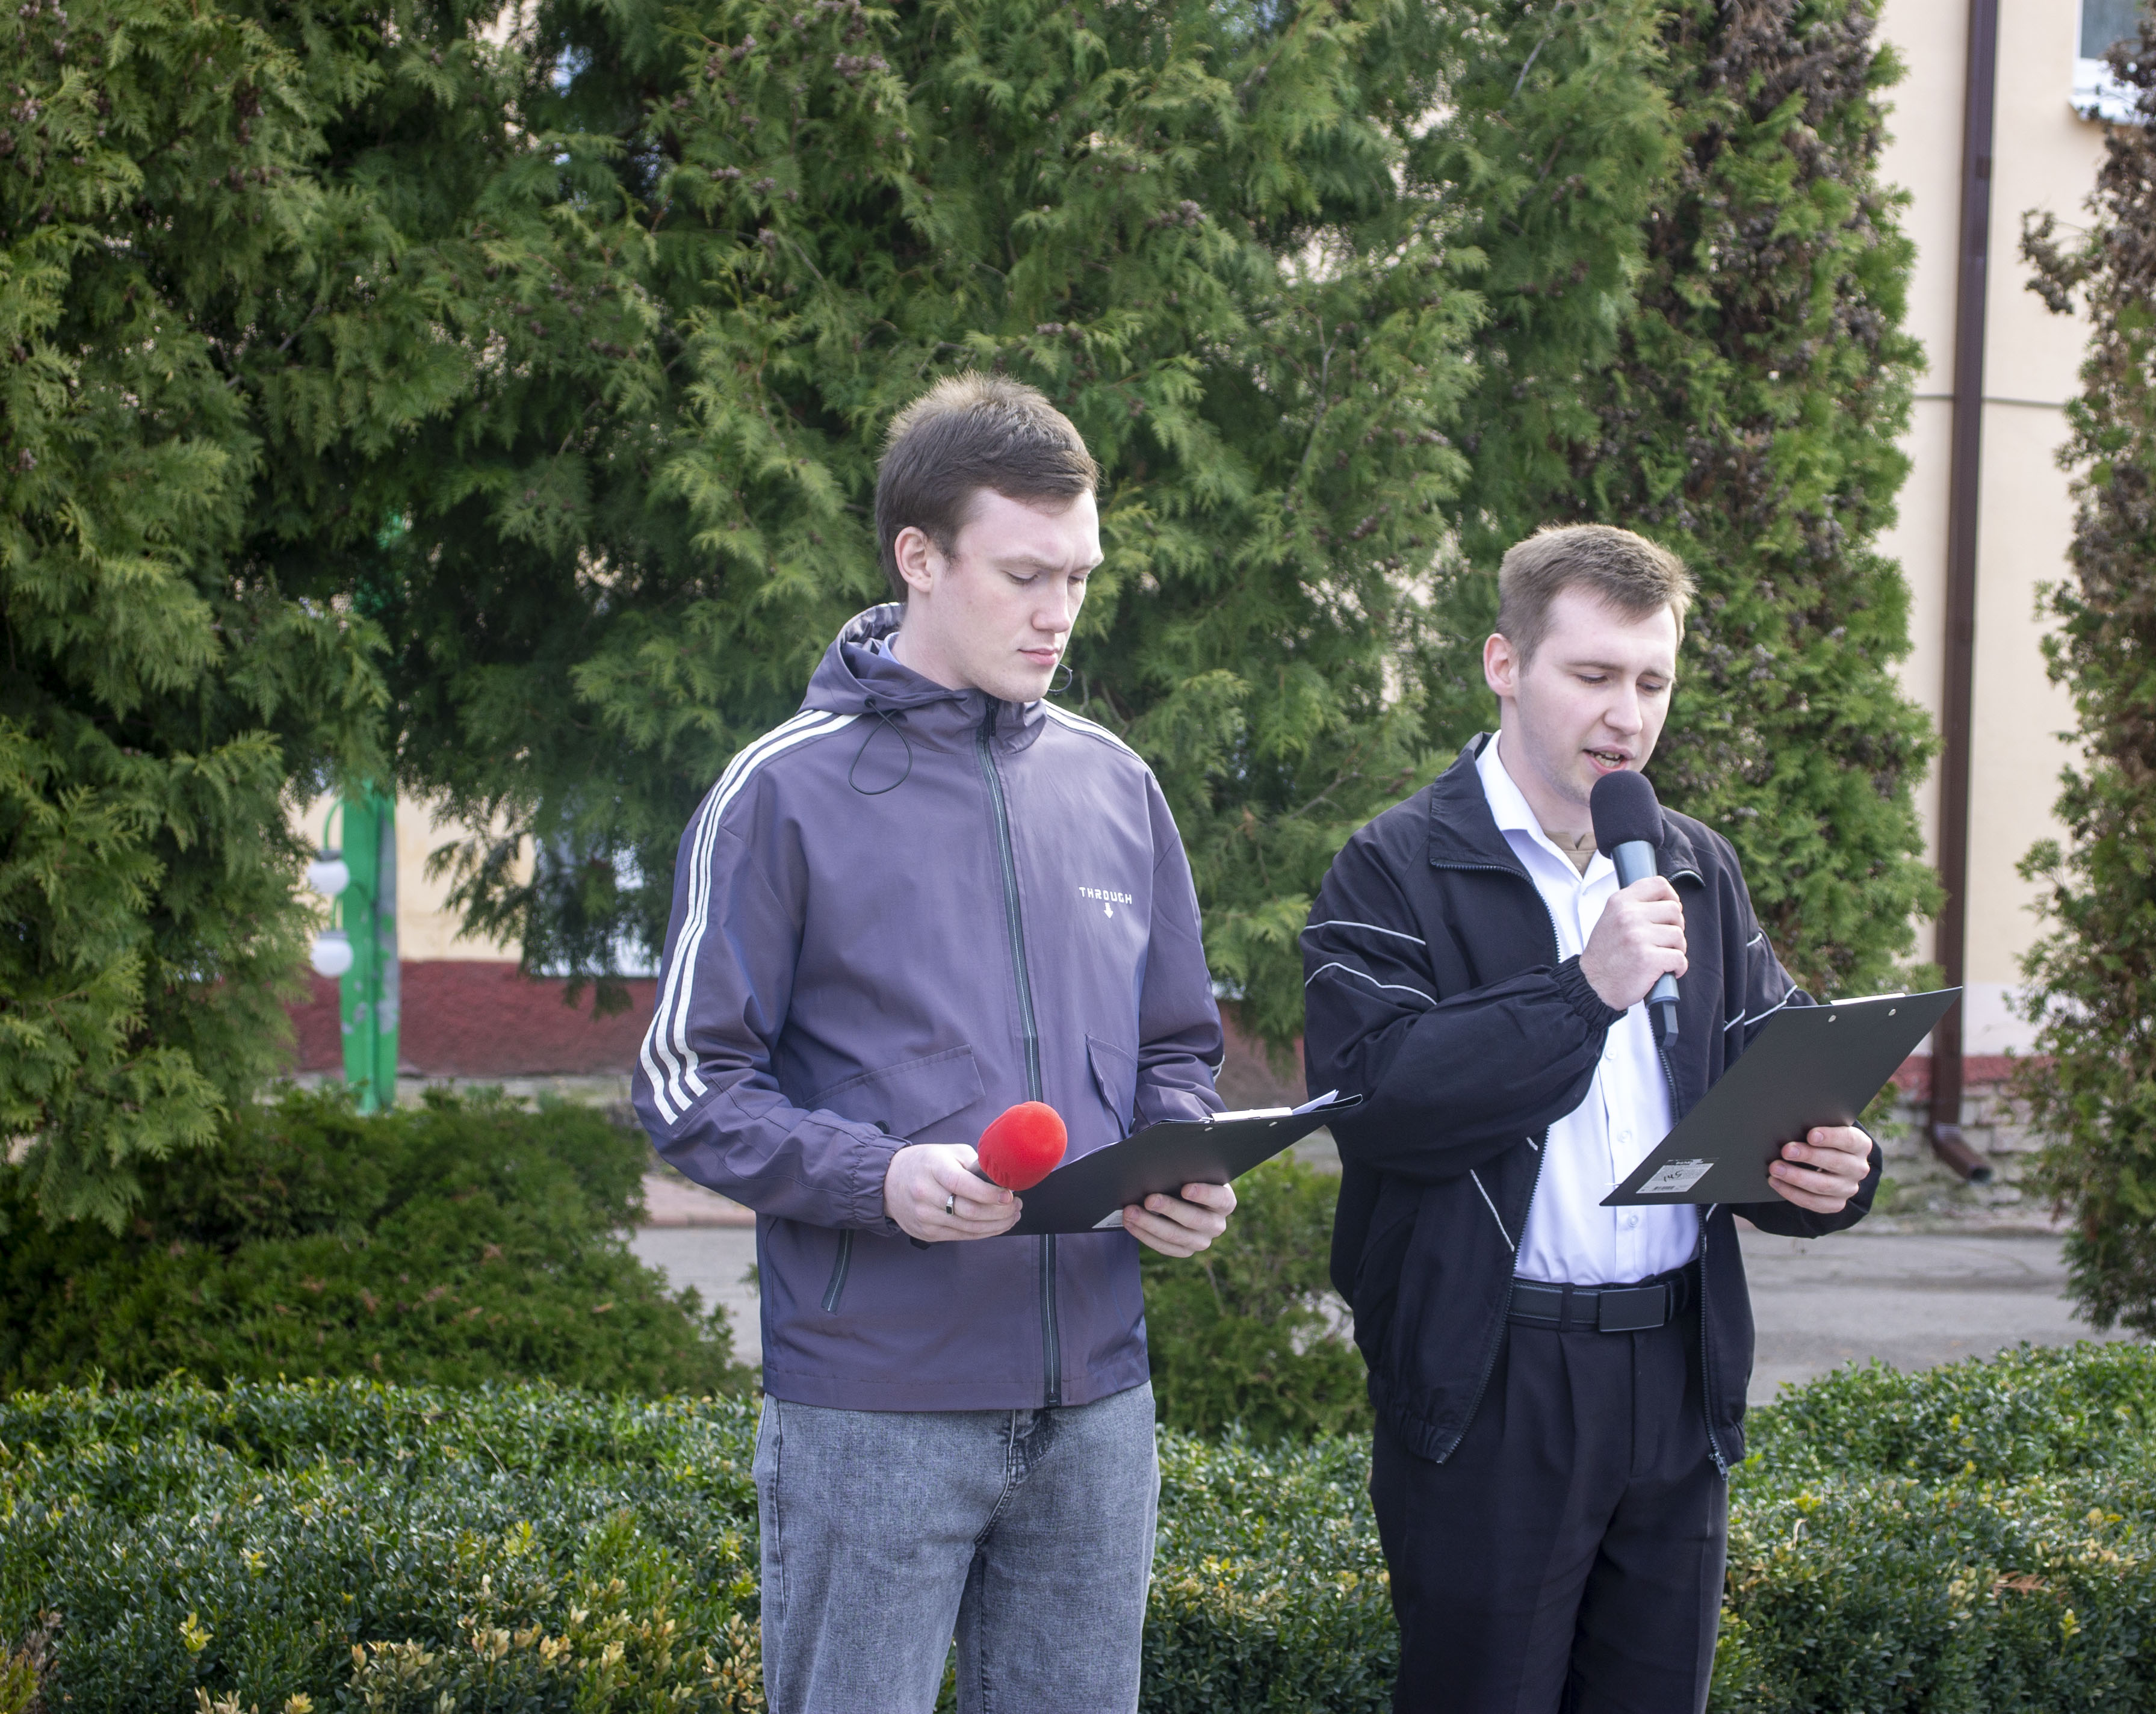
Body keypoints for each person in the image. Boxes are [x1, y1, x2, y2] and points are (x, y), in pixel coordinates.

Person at [633, 373, 1238, 1714]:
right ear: (919, 557)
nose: (1059, 612)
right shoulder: (782, 788)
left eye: (1079, 576)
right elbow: (686, 1083)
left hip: (1099, 1403)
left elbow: (1176, 1046)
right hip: (875, 1406)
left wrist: (1181, 1161)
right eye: (1025, 575)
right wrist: (878, 1176)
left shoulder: (1116, 784)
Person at [1300, 524, 1883, 1713]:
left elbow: (1768, 1080)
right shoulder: (1396, 864)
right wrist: (1584, 990)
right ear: (1505, 665)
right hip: (1494, 1382)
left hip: (1675, 1374)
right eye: (1595, 674)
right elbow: (1379, 1104)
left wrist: (1835, 1175)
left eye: (1654, 681)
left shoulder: (1693, 864)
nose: (1629, 715)